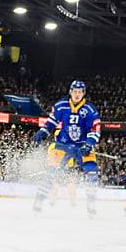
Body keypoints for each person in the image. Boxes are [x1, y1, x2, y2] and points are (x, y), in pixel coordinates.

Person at [32, 80, 101, 216]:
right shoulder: (61, 106)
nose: (77, 94)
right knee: (51, 172)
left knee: (92, 172)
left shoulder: (90, 110)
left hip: (82, 146)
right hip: (62, 145)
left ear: (83, 93)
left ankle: (91, 203)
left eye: (80, 92)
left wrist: (89, 143)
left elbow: (95, 130)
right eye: (74, 91)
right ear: (70, 92)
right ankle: (39, 200)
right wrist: (42, 132)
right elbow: (51, 123)